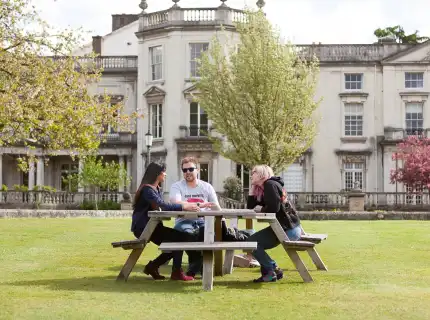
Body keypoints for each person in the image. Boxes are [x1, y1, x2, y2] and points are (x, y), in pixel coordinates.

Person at [131, 162, 200, 281]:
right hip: (144, 228)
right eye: (163, 171)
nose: (165, 174)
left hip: (153, 227)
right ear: (157, 174)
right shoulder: (148, 190)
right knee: (180, 239)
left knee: (179, 240)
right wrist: (183, 207)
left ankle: (154, 266)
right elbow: (162, 205)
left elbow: (161, 206)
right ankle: (174, 272)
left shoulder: (154, 189)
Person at [246, 165, 302, 283]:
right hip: (288, 228)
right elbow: (250, 206)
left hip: (287, 230)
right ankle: (273, 269)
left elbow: (273, 208)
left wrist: (261, 209)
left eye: (254, 172)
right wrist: (252, 189)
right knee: (251, 242)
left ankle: (271, 270)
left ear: (262, 174)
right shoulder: (268, 186)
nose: (251, 175)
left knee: (251, 243)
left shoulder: (270, 185)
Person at [169, 157, 220, 277]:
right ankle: (198, 265)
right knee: (188, 234)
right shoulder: (177, 186)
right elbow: (175, 202)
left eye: (191, 169)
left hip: (203, 221)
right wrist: (198, 205)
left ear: (198, 170)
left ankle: (196, 266)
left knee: (208, 233)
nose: (187, 172)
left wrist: (220, 219)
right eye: (184, 170)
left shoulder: (207, 187)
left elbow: (215, 205)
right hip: (184, 221)